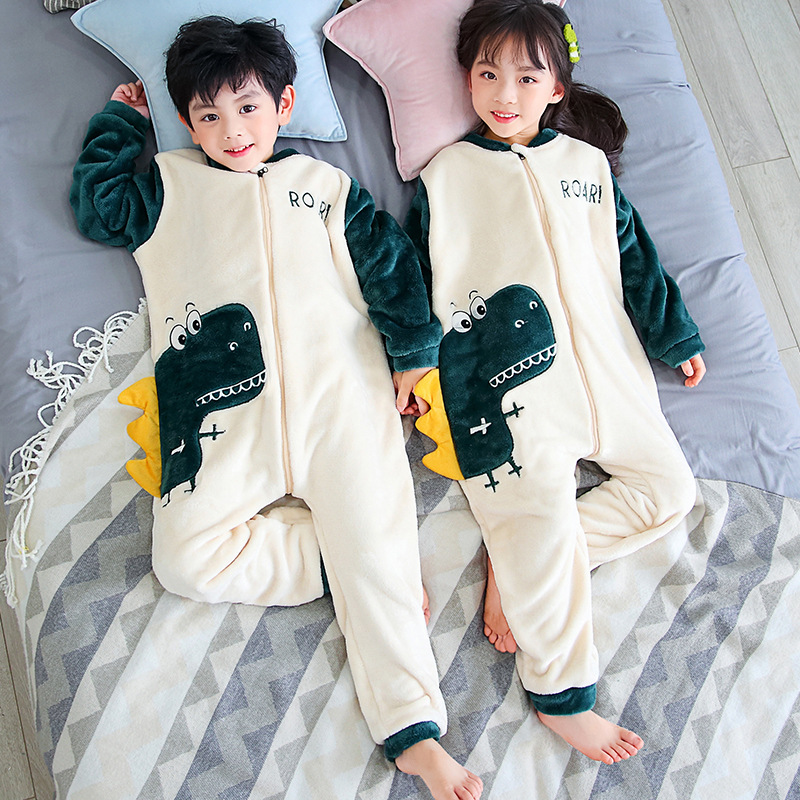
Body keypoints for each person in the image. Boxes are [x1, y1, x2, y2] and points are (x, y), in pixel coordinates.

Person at [70, 16, 483, 799]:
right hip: (223, 416)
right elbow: (98, 207)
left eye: (249, 108)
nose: (233, 131)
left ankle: (415, 734)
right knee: (185, 560)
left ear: (285, 105)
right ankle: (339, 566)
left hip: (342, 402)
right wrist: (121, 125)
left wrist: (413, 351)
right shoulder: (167, 186)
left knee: (382, 551)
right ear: (186, 121)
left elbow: (391, 267)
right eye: (209, 115)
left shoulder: (325, 189)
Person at [406, 0, 706, 766]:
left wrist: (674, 335)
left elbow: (635, 258)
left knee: (670, 492)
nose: (505, 93)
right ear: (467, 80)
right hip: (507, 385)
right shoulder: (444, 177)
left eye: (526, 77)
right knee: (533, 509)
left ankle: (521, 564)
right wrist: (406, 361)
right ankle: (562, 697)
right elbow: (407, 283)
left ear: (557, 89)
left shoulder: (587, 167)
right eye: (487, 74)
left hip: (608, 369)